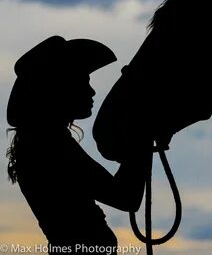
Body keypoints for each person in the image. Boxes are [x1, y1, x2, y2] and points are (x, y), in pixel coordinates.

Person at [6, 35, 151, 254]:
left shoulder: (42, 143)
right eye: (83, 82)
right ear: (60, 89)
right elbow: (125, 197)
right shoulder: (52, 147)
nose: (92, 91)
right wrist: (143, 135)